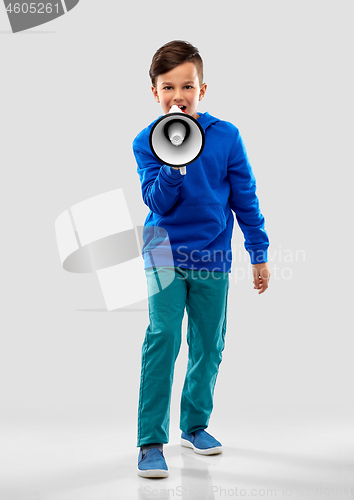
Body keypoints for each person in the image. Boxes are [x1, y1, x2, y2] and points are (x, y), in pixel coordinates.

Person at [132, 40, 271, 478]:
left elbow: (245, 198)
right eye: (168, 87)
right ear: (154, 92)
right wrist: (174, 164)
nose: (178, 96)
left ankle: (194, 425)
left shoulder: (227, 136)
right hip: (162, 250)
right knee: (164, 339)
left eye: (187, 86)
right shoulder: (145, 142)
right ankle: (150, 441)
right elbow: (156, 200)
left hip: (212, 252)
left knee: (209, 344)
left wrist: (258, 252)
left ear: (202, 88)